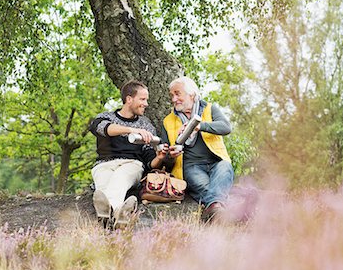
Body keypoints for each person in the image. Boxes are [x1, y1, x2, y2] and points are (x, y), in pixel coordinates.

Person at [89, 80, 168, 229]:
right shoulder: (106, 117)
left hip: (131, 164)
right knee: (102, 189)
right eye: (143, 99)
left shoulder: (146, 125)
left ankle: (107, 217)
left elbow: (150, 161)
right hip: (103, 164)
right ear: (129, 99)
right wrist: (131, 130)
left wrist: (160, 157)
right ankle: (119, 215)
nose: (146, 104)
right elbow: (103, 129)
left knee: (119, 178)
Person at [161, 76, 234, 222]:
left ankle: (213, 210)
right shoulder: (168, 121)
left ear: (192, 95)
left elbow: (226, 127)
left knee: (226, 167)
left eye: (177, 94)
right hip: (191, 167)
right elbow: (166, 161)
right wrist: (171, 155)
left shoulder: (209, 108)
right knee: (210, 189)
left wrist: (199, 126)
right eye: (172, 95)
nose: (174, 99)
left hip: (217, 162)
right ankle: (218, 208)